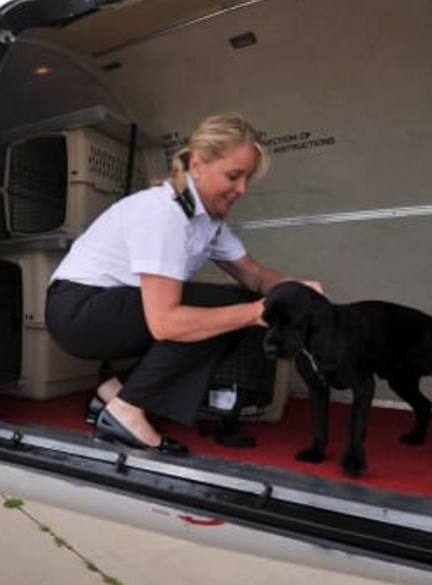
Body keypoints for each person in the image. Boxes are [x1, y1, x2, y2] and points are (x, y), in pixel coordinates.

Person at [45, 113, 320, 455]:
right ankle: (126, 409)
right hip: (79, 311)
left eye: (248, 178)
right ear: (198, 164)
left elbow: (254, 274)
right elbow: (166, 323)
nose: (242, 189)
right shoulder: (163, 213)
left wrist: (295, 291)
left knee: (234, 299)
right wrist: (254, 313)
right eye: (234, 176)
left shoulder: (207, 221)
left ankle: (117, 394)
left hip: (106, 307)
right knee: (223, 309)